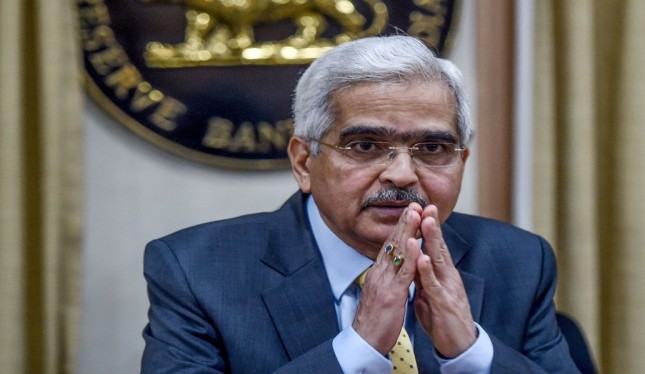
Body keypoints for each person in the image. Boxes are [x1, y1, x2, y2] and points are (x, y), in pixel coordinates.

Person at [141, 35, 580, 373]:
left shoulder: (518, 262)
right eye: (366, 145)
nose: (402, 175)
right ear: (303, 162)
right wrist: (359, 349)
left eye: (432, 148)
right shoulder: (198, 270)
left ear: (461, 163)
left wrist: (470, 352)